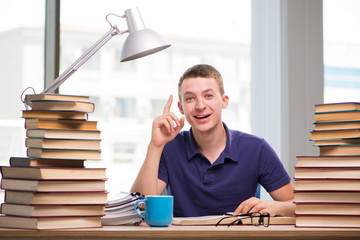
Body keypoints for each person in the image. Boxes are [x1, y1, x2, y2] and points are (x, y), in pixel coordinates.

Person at [131, 64, 295, 217]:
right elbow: (139, 208)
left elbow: (297, 205)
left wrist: (276, 207)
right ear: (181, 107)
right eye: (190, 99)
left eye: (208, 96)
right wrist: (155, 146)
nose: (200, 105)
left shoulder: (257, 149)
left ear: (224, 101)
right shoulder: (168, 148)